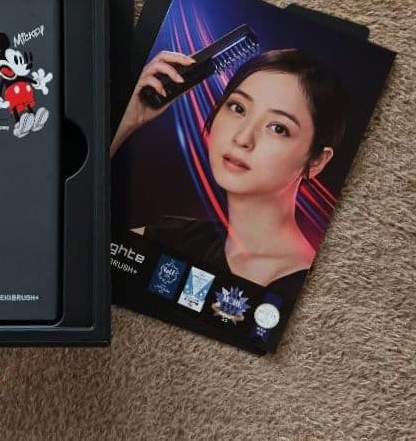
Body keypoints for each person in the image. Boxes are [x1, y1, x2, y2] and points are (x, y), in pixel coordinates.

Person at [111, 48, 346, 295]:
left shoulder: (309, 287)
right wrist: (127, 120)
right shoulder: (174, 237)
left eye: (278, 128)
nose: (243, 138)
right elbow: (83, 250)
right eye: (237, 108)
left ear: (316, 161)